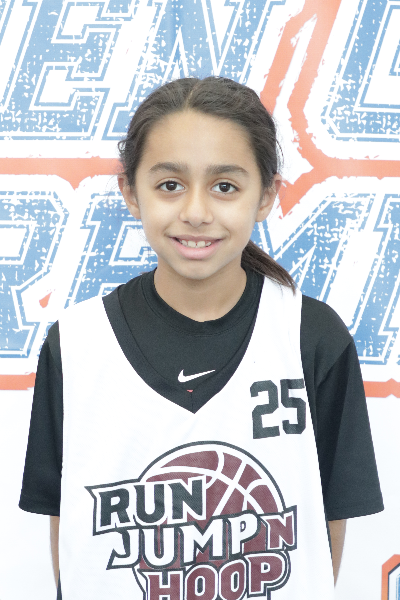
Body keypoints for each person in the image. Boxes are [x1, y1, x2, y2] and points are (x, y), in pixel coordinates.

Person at [19, 76, 383, 600]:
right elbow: (68, 527)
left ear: (266, 195)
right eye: (170, 185)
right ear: (131, 193)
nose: (195, 212)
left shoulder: (311, 336)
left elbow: (326, 527)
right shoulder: (77, 343)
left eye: (224, 186)